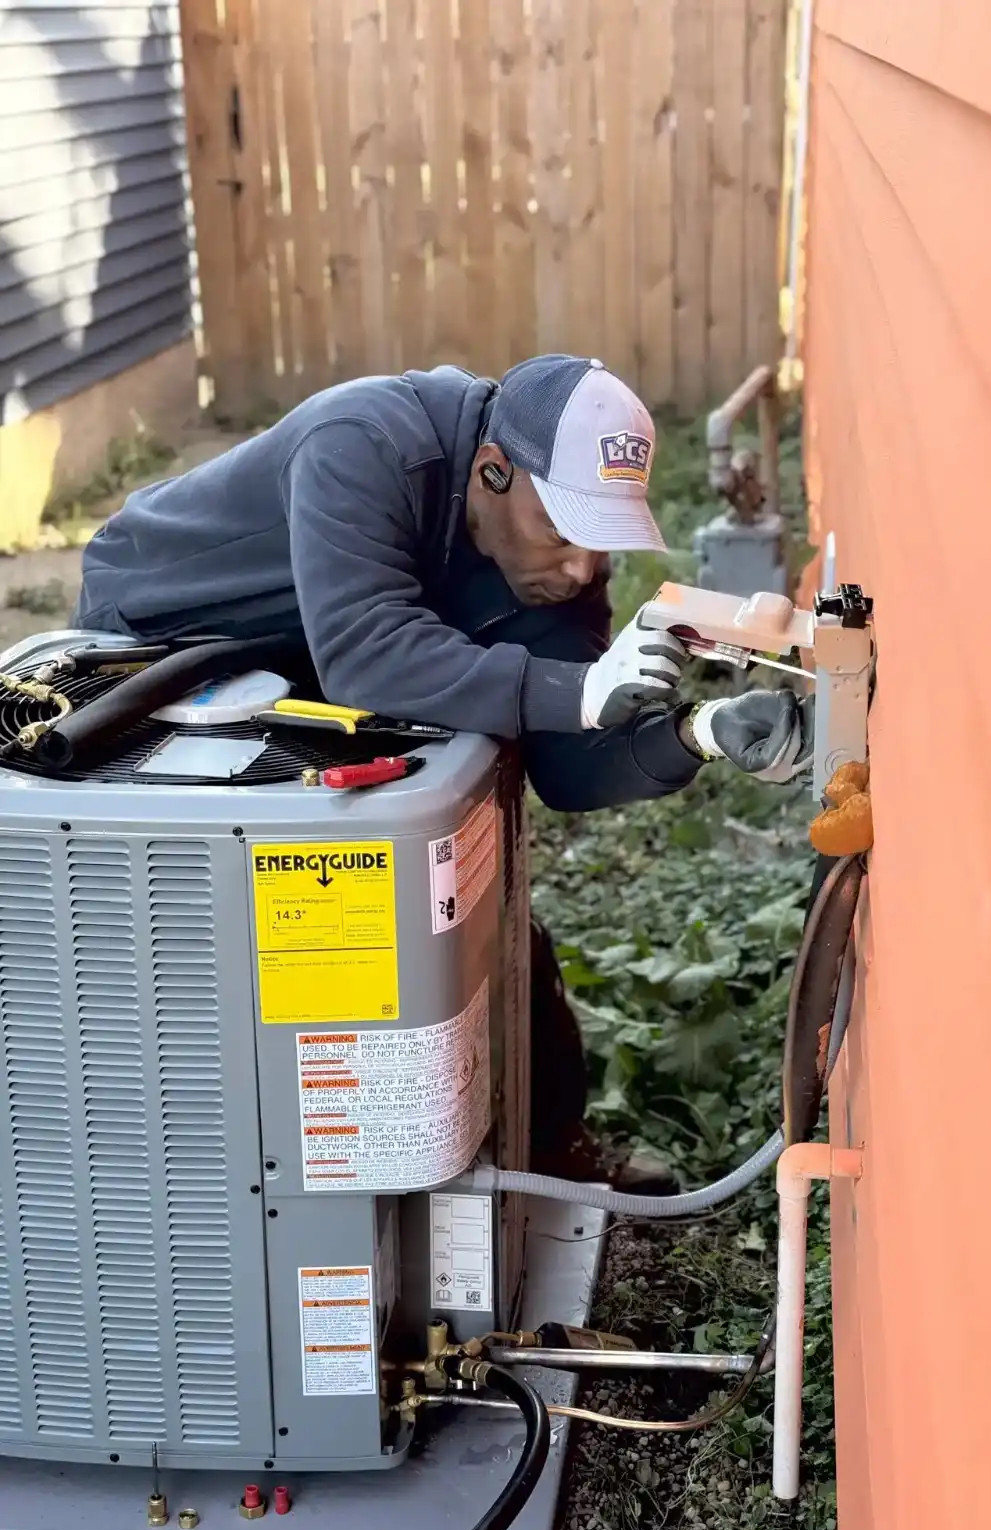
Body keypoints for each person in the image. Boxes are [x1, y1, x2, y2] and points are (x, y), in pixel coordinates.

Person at [74, 355, 810, 1179]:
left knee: (466, 901)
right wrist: (576, 689)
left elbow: (568, 770)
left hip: (310, 663)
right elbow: (364, 652)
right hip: (160, 646)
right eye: (562, 532)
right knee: (217, 928)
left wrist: (699, 731)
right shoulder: (364, 442)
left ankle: (554, 1155)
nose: (580, 571)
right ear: (493, 472)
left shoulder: (553, 576)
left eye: (600, 545)